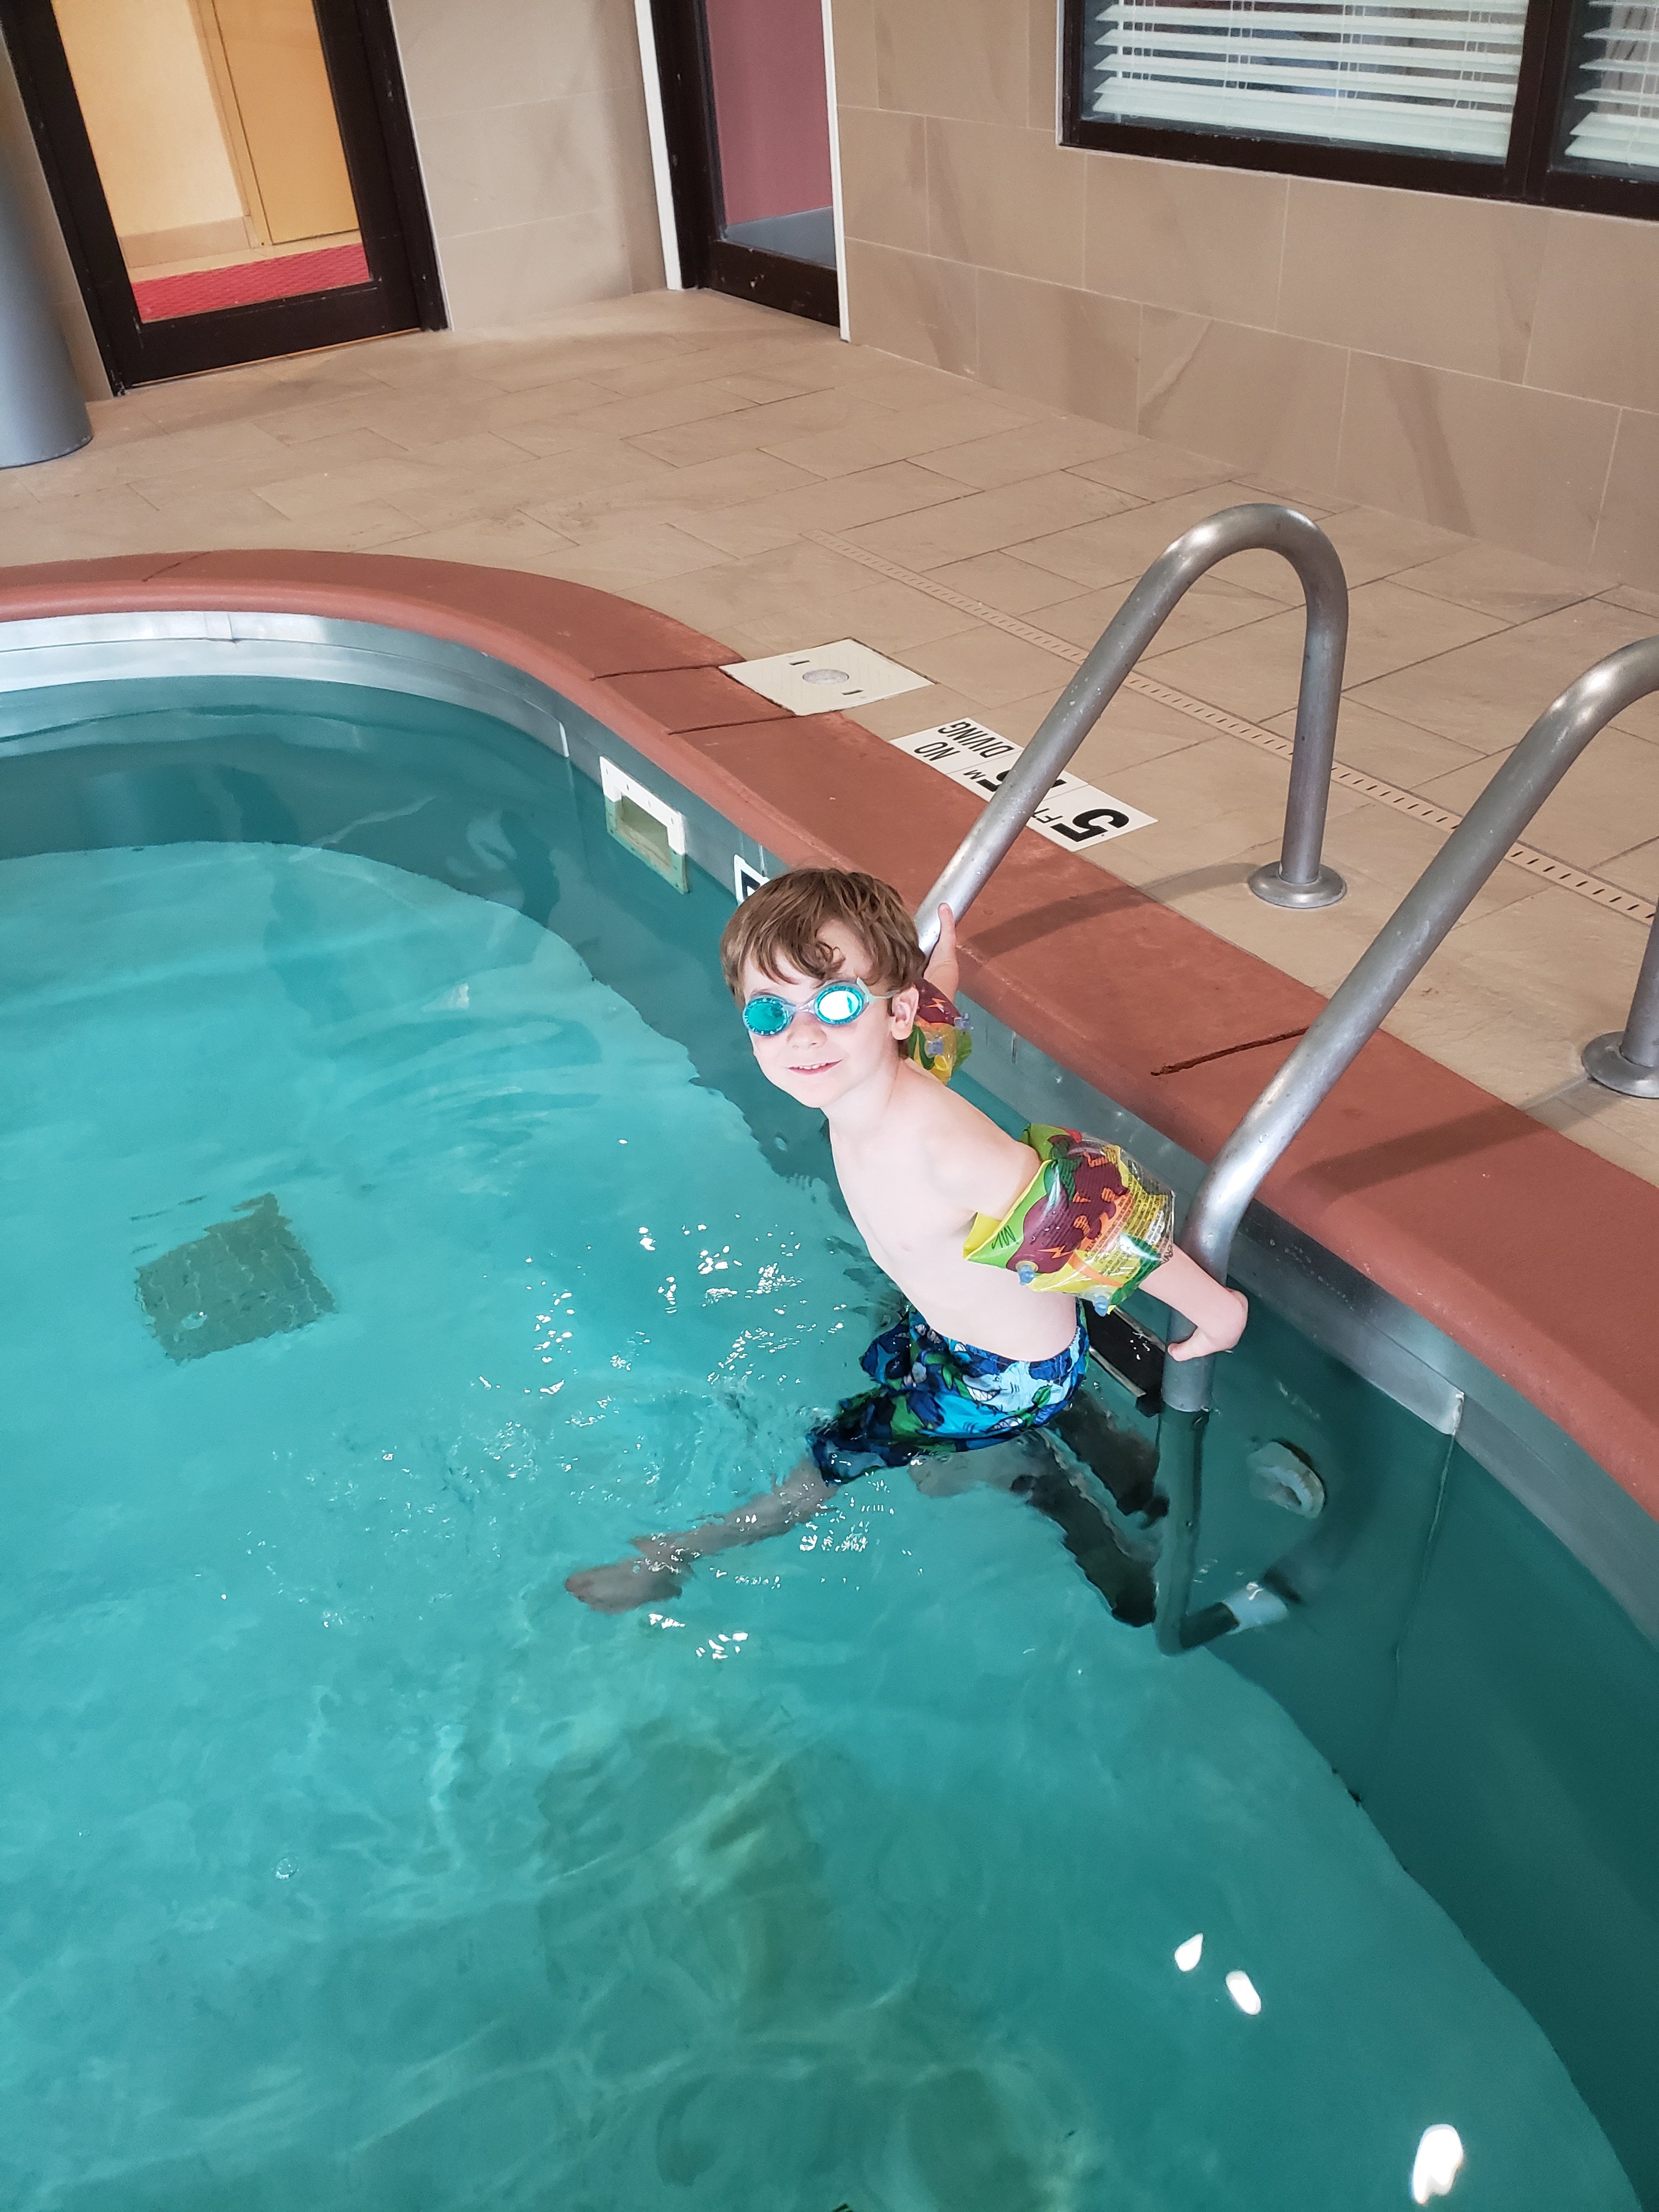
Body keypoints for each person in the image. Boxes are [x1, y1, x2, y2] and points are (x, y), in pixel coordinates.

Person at [566, 868, 1246, 1613]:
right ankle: (1117, 1459)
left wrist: (1216, 1313)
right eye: (771, 1011)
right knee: (903, 1333)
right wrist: (938, 957)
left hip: (1004, 1377)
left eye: (837, 1003)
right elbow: (935, 1015)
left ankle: (677, 1557)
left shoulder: (941, 1147)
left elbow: (1099, 1223)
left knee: (830, 1462)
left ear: (891, 1013)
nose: (804, 1035)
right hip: (968, 1335)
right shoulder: (874, 1076)